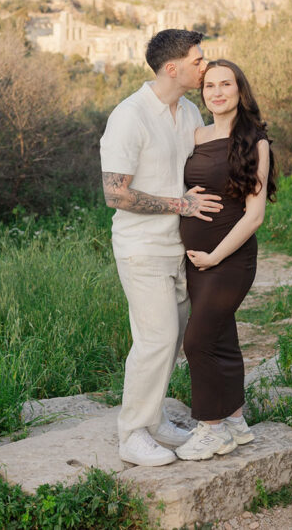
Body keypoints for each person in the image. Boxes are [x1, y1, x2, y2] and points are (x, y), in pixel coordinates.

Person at [99, 29, 224, 467]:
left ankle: (153, 422)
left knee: (172, 342)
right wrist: (180, 204)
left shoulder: (188, 111)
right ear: (172, 68)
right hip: (142, 248)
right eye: (197, 60)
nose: (204, 66)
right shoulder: (129, 116)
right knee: (156, 339)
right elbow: (115, 193)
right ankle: (131, 434)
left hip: (179, 247)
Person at [174, 59, 277, 461]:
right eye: (210, 85)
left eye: (226, 84)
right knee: (222, 337)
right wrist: (182, 202)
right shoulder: (196, 135)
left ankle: (211, 428)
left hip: (230, 260)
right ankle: (234, 419)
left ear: (240, 90)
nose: (217, 92)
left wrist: (214, 256)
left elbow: (255, 215)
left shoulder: (255, 142)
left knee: (197, 341)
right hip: (198, 260)